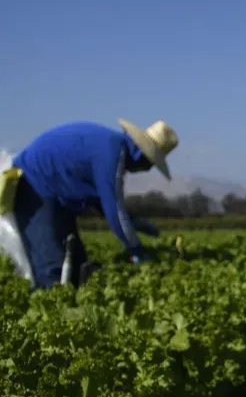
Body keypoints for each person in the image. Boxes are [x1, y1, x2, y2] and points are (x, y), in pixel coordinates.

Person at [10, 119, 178, 288]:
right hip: (34, 187)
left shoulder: (111, 146)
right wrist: (137, 250)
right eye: (150, 163)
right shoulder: (112, 152)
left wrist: (134, 222)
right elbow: (114, 209)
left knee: (76, 265)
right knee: (52, 270)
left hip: (56, 196)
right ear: (142, 156)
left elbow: (103, 203)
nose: (147, 169)